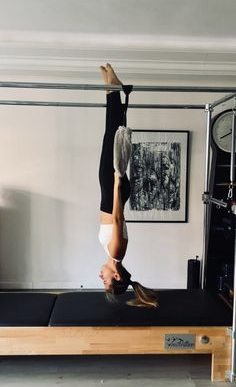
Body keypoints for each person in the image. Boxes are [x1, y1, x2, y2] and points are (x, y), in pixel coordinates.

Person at [98, 63, 158, 308]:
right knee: (112, 136)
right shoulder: (117, 253)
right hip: (113, 191)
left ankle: (112, 91)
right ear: (117, 276)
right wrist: (115, 184)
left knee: (111, 136)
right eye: (105, 282)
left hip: (113, 191)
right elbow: (117, 220)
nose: (100, 277)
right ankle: (112, 90)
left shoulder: (114, 254)